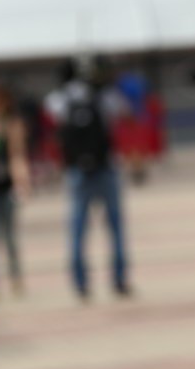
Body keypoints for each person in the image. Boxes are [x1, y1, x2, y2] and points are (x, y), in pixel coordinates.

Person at [44, 56, 131, 300]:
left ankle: (80, 282)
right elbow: (125, 113)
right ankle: (119, 279)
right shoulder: (102, 94)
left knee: (78, 226)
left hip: (76, 169)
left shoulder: (59, 98)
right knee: (114, 226)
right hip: (106, 166)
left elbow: (52, 119)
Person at [0, 81, 30, 300]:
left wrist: (22, 182)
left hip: (6, 186)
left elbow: (17, 156)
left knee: (9, 236)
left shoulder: (11, 124)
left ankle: (15, 275)